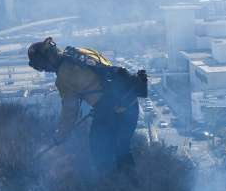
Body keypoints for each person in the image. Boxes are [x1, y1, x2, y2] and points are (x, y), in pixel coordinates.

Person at [27, 38, 146, 173]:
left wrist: (60, 135)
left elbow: (70, 112)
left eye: (40, 66)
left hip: (114, 111)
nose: (43, 70)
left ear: (46, 60)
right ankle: (131, 185)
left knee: (99, 150)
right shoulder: (78, 52)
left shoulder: (63, 78)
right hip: (130, 102)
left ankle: (111, 185)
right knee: (122, 149)